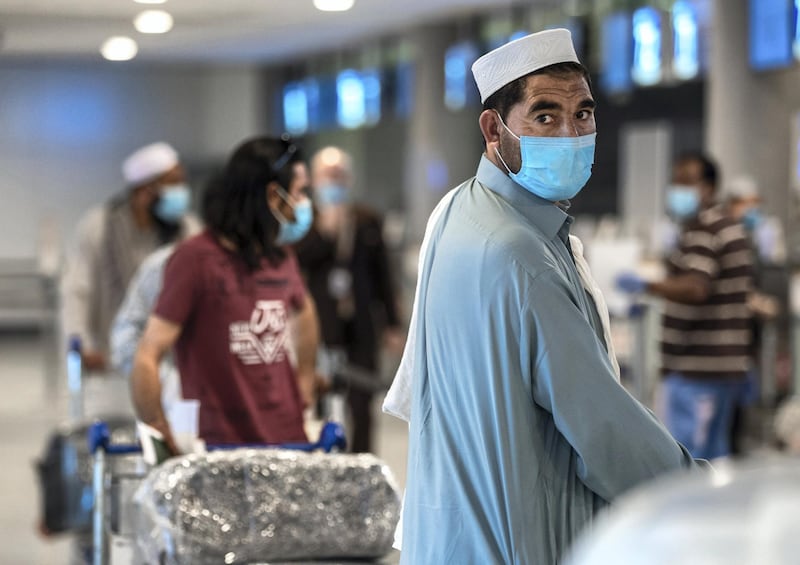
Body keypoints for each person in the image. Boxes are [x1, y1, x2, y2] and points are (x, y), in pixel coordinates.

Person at [386, 29, 701, 564]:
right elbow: (602, 430)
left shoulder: (458, 212)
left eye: (583, 114)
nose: (571, 135)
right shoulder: (520, 255)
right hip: (517, 537)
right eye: (545, 116)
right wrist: (696, 492)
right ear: (494, 128)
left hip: (450, 535)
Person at [130, 136, 320, 454]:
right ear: (274, 196)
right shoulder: (195, 260)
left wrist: (305, 381)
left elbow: (306, 310)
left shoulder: (279, 256)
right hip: (219, 449)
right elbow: (147, 355)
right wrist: (160, 434)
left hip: (288, 441)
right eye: (299, 193)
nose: (304, 204)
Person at [617, 152, 755, 460]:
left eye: (685, 182)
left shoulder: (707, 228)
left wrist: (647, 285)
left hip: (698, 368)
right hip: (717, 369)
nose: (677, 189)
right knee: (713, 456)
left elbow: (695, 287)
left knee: (691, 459)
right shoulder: (721, 225)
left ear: (707, 188)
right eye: (675, 181)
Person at [294, 146, 403, 453]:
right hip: (320, 325)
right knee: (322, 399)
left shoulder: (367, 220)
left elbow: (383, 275)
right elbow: (300, 263)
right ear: (314, 181)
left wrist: (392, 325)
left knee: (361, 402)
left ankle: (363, 464)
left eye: (339, 176)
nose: (334, 182)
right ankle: (323, 462)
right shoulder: (306, 222)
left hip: (361, 324)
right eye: (327, 176)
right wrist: (325, 232)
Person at [60, 141, 198, 372]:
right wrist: (81, 343)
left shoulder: (187, 229)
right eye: (173, 183)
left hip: (172, 361)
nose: (181, 192)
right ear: (144, 191)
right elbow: (77, 290)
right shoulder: (101, 226)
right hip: (110, 359)